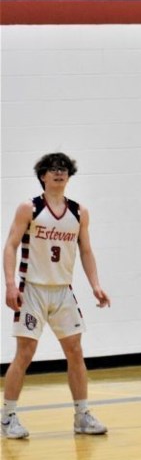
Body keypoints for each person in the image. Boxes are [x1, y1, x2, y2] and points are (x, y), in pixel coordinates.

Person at [2, 153, 111, 439]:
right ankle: (7, 417)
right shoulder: (29, 208)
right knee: (25, 353)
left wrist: (95, 285)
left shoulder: (79, 212)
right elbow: (11, 246)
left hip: (63, 291)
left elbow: (86, 250)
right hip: (33, 290)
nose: (59, 173)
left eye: (64, 169)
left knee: (75, 351)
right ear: (43, 176)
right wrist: (11, 284)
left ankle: (82, 415)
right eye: (53, 170)